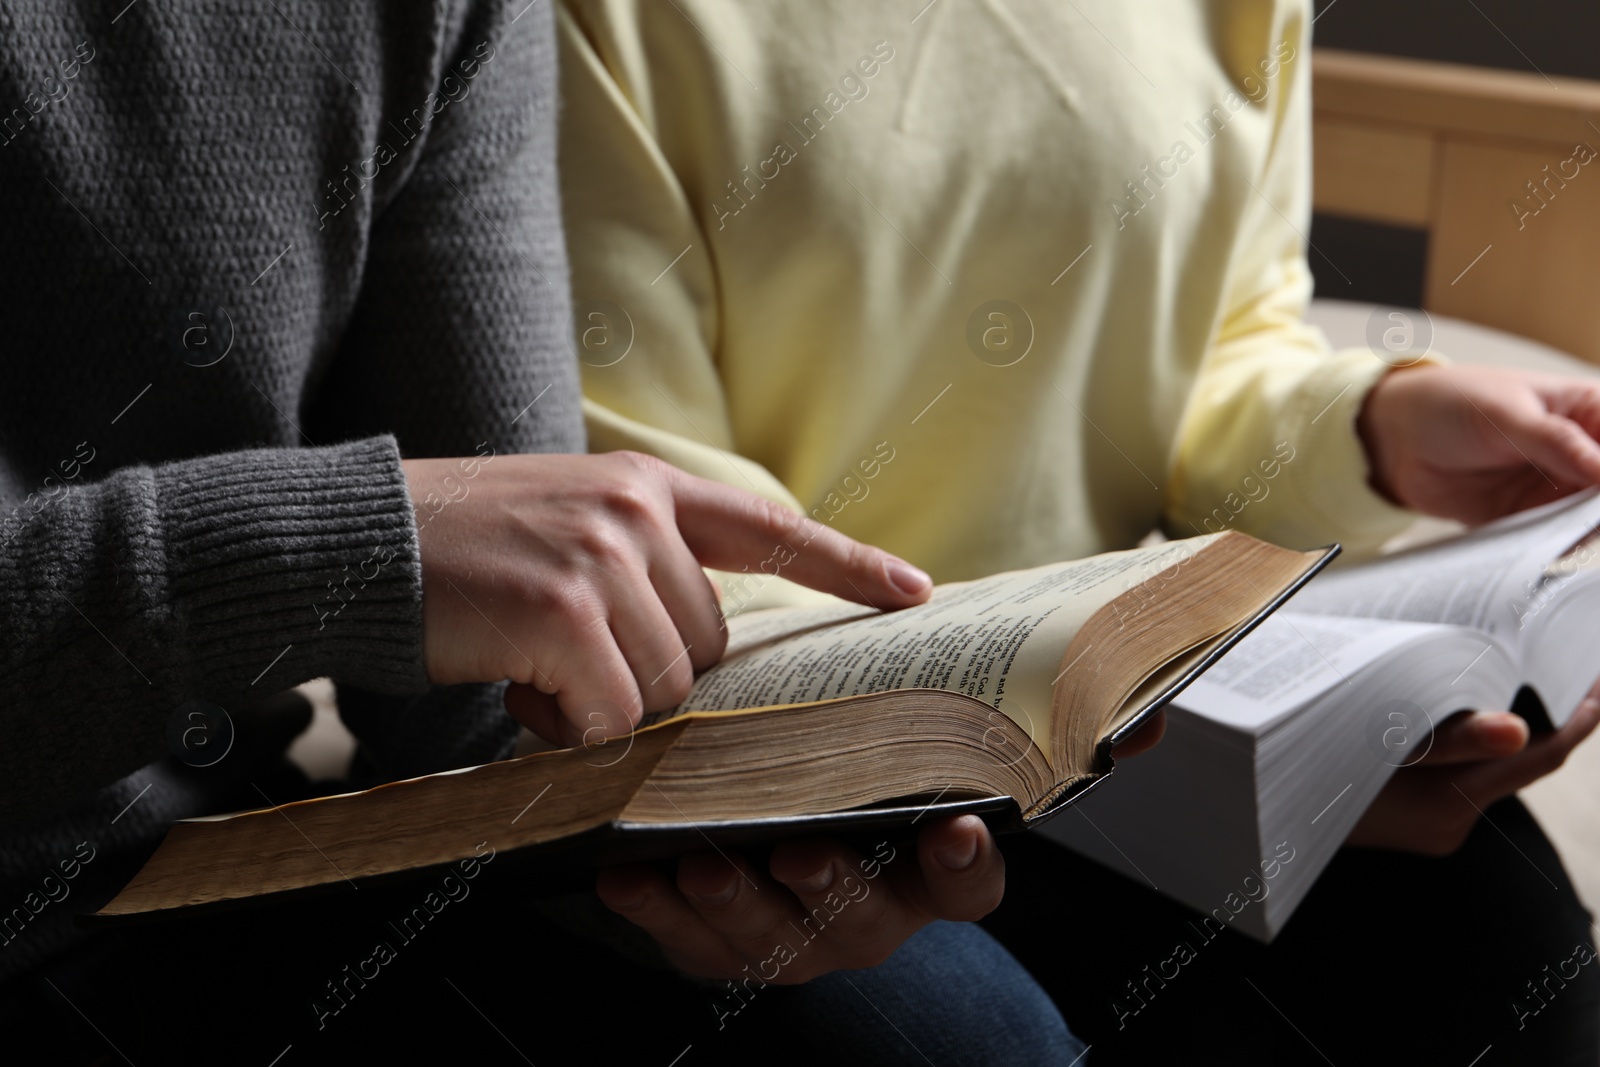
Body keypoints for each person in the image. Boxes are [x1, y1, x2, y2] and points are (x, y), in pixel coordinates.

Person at [0, 2, 1086, 1063]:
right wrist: (360, 553)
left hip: (199, 862)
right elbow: (412, 563)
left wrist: (688, 869)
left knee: (960, 1033)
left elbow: (482, 714)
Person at [553, 0, 1600, 1062]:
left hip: (1099, 726)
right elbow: (626, 496)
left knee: (1511, 949)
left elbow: (1212, 352)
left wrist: (1372, 430)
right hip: (786, 767)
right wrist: (1134, 775)